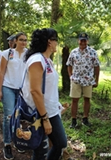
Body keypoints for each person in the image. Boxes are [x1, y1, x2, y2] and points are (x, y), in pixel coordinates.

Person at [22, 28, 67, 160]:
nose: (57, 44)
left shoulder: (46, 60)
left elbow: (48, 88)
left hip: (50, 110)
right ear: (49, 42)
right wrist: (45, 118)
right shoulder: (37, 60)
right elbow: (35, 91)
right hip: (41, 112)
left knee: (48, 147)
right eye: (56, 40)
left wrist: (58, 106)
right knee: (54, 145)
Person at [0, 32, 27, 160]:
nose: (23, 42)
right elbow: (1, 72)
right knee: (9, 116)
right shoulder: (7, 53)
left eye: (25, 40)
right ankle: (7, 144)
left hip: (22, 89)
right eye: (21, 40)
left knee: (19, 116)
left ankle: (18, 141)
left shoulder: (29, 54)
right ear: (15, 41)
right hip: (8, 87)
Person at [66, 33, 100, 128]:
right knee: (75, 99)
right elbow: (69, 64)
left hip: (88, 79)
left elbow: (97, 66)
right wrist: (70, 76)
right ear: (78, 41)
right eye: (81, 40)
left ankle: (85, 119)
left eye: (85, 40)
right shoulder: (74, 52)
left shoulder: (92, 52)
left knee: (87, 99)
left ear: (87, 41)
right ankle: (73, 120)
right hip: (76, 79)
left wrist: (96, 80)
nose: (83, 42)